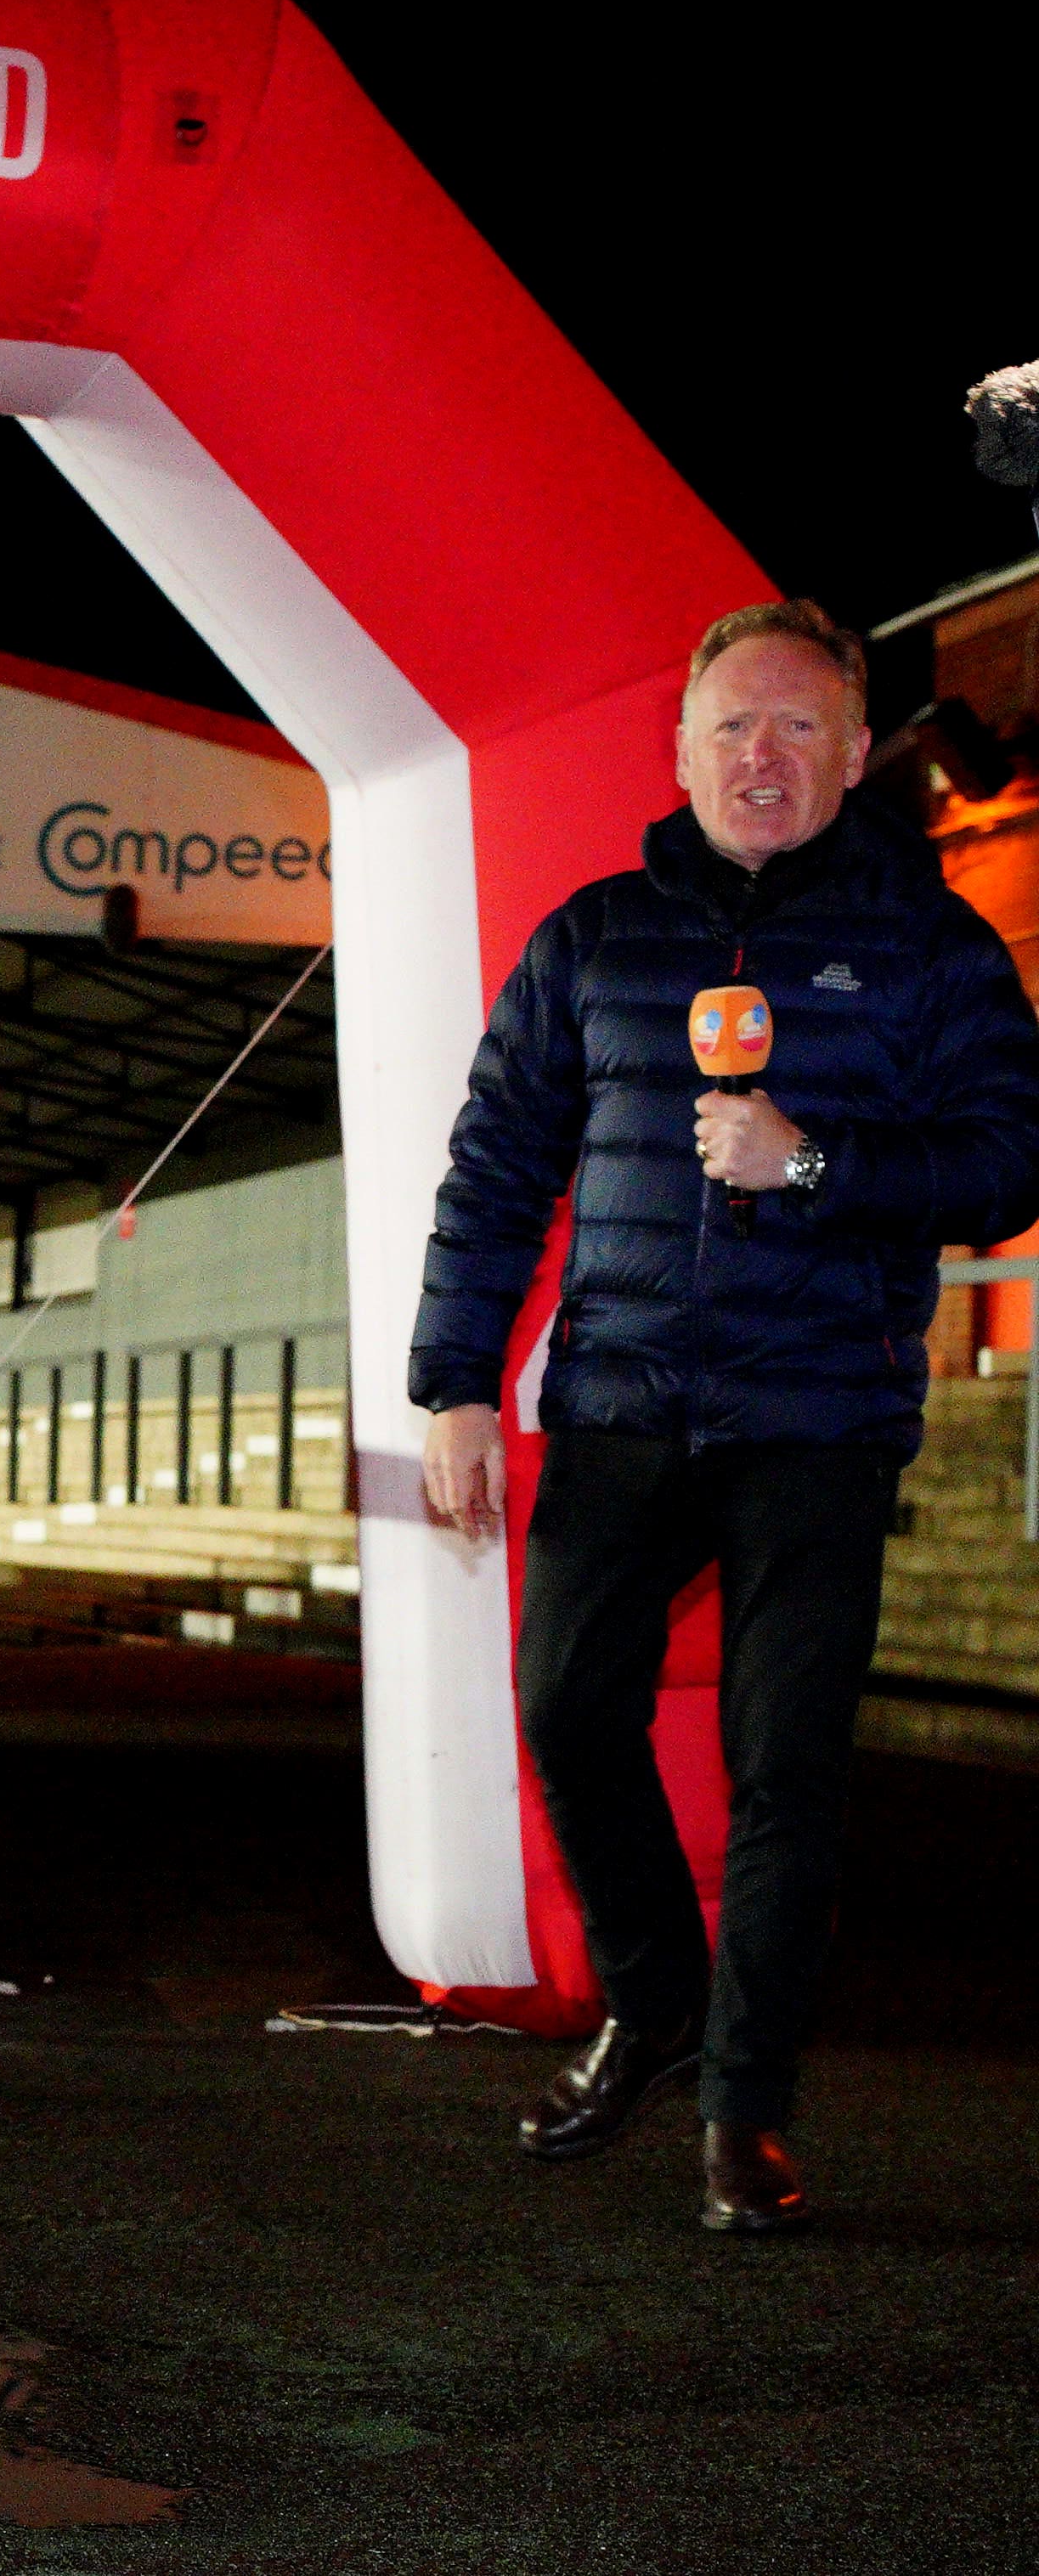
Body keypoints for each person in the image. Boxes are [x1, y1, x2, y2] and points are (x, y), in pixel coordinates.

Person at [415, 599, 1039, 2235]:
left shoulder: (937, 943)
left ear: (851, 750)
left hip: (819, 1414)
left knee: (785, 1769)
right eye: (730, 728)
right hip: (622, 1395)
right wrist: (459, 1383)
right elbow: (493, 1169)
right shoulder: (594, 937)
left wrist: (815, 1163)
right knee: (564, 1706)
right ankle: (657, 1997)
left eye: (794, 727)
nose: (759, 756)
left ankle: (743, 2113)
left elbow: (1009, 1161)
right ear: (680, 750)